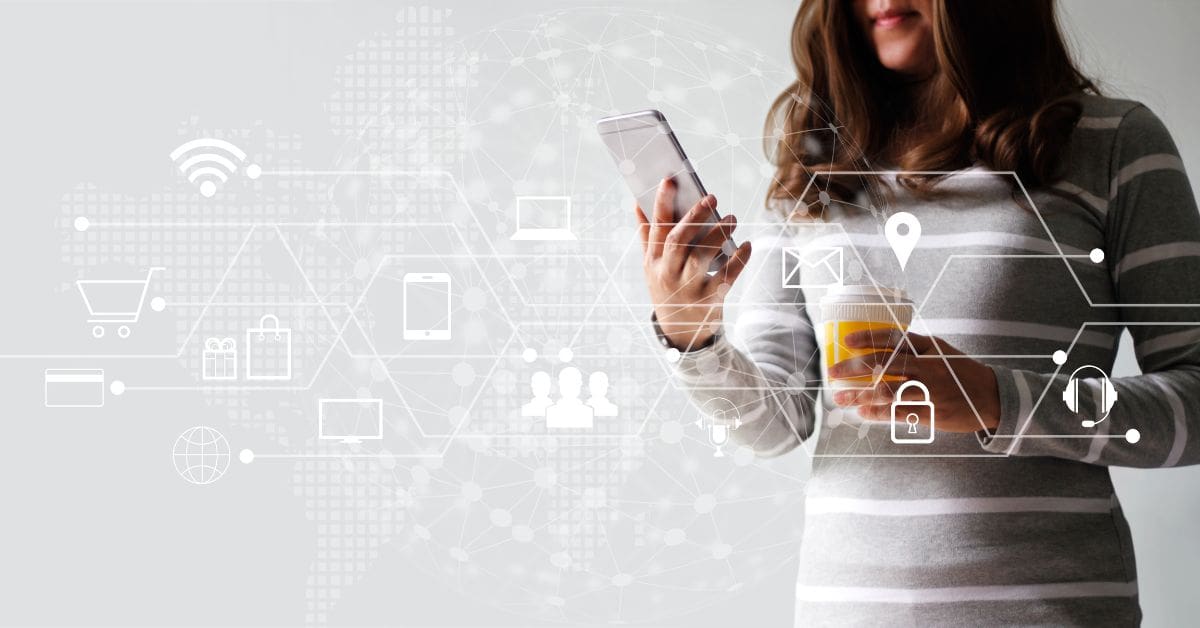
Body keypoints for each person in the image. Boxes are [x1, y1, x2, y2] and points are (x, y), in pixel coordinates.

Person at [635, 0, 1200, 624]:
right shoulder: (815, 162)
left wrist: (998, 400)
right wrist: (691, 336)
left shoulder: (1114, 143)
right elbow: (774, 423)